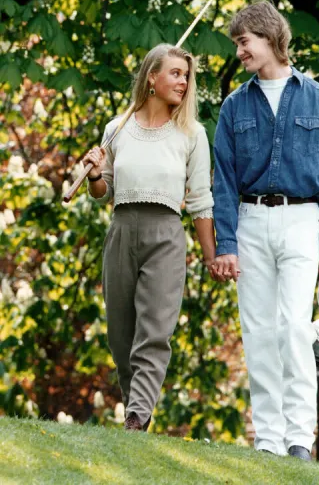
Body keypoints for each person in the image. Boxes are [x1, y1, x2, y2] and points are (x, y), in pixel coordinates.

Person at [212, 1, 319, 461]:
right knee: (258, 330)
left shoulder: (318, 99)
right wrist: (225, 244)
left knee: (293, 327)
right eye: (237, 44)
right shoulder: (234, 106)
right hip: (249, 223)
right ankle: (267, 438)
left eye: (244, 42)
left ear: (269, 37)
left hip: (302, 221)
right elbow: (223, 182)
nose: (240, 51)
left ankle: (299, 439)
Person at [84, 43, 216, 432]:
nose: (184, 81)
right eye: (175, 73)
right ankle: (134, 409)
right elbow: (102, 191)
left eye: (187, 75)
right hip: (121, 230)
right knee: (121, 334)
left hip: (166, 235)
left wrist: (211, 256)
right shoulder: (117, 128)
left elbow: (201, 201)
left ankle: (137, 417)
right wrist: (93, 173)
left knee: (155, 331)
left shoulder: (192, 133)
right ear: (151, 78)